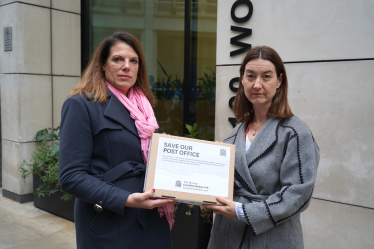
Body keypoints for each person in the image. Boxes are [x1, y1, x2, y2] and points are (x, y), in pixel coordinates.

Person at [58, 31, 175, 249]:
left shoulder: (143, 108)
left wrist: (164, 152)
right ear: (102, 64)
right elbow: (71, 176)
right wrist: (126, 199)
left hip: (150, 219)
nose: (126, 66)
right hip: (111, 222)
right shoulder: (81, 105)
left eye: (134, 61)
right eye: (118, 59)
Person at [204, 46, 320, 249]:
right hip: (227, 236)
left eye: (266, 76)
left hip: (272, 238)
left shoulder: (295, 132)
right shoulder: (235, 134)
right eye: (250, 76)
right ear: (242, 80)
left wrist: (243, 211)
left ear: (279, 81)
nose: (257, 84)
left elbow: (298, 194)